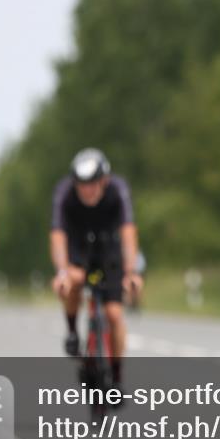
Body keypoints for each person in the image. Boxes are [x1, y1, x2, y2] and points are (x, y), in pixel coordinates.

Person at [50, 148, 143, 392]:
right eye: (82, 184)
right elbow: (58, 236)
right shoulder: (64, 193)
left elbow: (128, 232)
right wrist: (61, 271)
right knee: (72, 281)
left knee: (114, 315)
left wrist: (131, 271)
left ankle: (117, 374)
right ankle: (72, 331)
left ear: (104, 180)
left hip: (109, 250)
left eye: (92, 184)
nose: (87, 190)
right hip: (78, 249)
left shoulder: (118, 190)